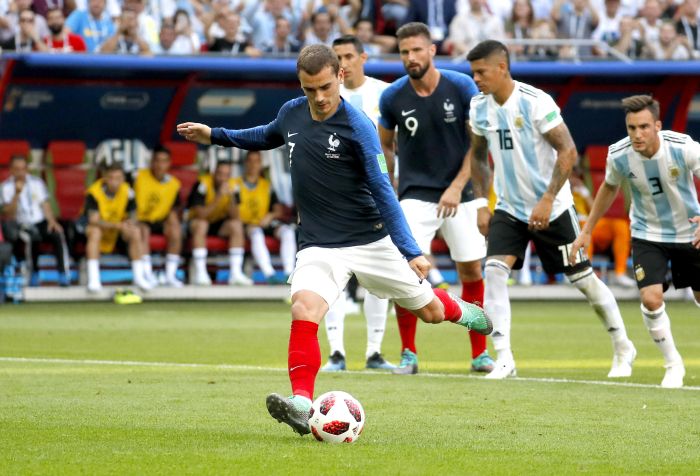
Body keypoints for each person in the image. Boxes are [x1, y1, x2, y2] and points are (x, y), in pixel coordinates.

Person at [176, 44, 492, 436]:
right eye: (310, 90)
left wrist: (411, 250)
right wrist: (216, 135)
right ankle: (302, 402)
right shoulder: (291, 112)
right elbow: (265, 135)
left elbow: (382, 189)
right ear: (301, 85)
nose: (320, 98)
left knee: (429, 312)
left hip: (371, 242)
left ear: (340, 77)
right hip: (319, 244)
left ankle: (462, 311)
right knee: (303, 309)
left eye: (326, 87)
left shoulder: (358, 126)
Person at [466, 40, 635, 380]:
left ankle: (622, 345)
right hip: (511, 209)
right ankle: (504, 357)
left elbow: (568, 151)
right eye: (473, 73)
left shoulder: (535, 102)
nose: (476, 79)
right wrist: (483, 203)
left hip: (553, 209)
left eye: (481, 72)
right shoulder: (479, 107)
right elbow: (478, 156)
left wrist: (547, 198)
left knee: (583, 280)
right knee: (495, 272)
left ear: (502, 68)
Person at [378, 22, 494, 375]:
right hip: (415, 195)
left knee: (471, 268)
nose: (410, 57)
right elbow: (384, 144)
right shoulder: (393, 96)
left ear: (432, 50)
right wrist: (391, 185)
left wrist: (459, 186)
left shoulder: (460, 86)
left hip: (463, 191)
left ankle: (479, 354)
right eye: (404, 52)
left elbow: (478, 145)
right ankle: (408, 354)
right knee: (405, 269)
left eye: (416, 50)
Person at [569, 95, 700, 388]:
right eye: (631, 128)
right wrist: (588, 228)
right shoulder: (619, 154)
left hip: (689, 231)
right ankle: (673, 364)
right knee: (651, 298)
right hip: (646, 233)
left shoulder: (683, 147)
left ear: (657, 125)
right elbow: (608, 187)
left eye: (643, 127)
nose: (637, 134)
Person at [318, 35, 396, 372]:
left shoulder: (384, 94)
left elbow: (392, 146)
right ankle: (336, 352)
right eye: (338, 57)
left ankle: (374, 352)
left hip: (375, 197)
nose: (344, 63)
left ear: (363, 57)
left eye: (349, 56)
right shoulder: (322, 94)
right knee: (331, 276)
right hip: (334, 198)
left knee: (378, 278)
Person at [0, 155, 70, 287]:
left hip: (40, 221)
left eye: (23, 169)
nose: (21, 172)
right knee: (30, 237)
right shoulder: (5, 187)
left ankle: (63, 274)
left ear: (27, 169)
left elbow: (45, 204)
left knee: (57, 233)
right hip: (20, 224)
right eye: (17, 169)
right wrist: (16, 193)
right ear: (11, 170)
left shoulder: (37, 182)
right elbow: (9, 213)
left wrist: (52, 221)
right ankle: (34, 273)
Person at [83, 163, 153, 293]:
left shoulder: (128, 191)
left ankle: (139, 277)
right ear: (105, 178)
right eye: (111, 177)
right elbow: (93, 220)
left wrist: (128, 224)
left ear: (123, 179)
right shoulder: (94, 192)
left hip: (118, 230)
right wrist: (118, 225)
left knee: (135, 231)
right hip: (98, 229)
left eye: (118, 178)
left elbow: (133, 216)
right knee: (95, 232)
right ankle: (94, 279)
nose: (114, 182)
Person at [233, 150, 296, 284]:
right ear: (245, 163)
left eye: (257, 161)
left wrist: (271, 215)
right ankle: (269, 274)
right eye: (250, 161)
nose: (253, 165)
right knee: (256, 233)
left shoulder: (266, 186)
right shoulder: (235, 184)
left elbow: (278, 210)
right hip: (245, 224)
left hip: (264, 222)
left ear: (261, 164)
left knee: (287, 231)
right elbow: (231, 211)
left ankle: (288, 273)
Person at [186, 160, 252, 286]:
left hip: (219, 224)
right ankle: (201, 273)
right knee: (201, 224)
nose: (223, 178)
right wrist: (218, 197)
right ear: (214, 173)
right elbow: (201, 215)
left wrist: (232, 198)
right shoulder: (202, 184)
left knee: (236, 225)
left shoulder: (234, 186)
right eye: (220, 174)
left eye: (227, 175)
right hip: (197, 224)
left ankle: (235, 273)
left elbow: (236, 216)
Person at [133, 145, 184, 288]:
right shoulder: (138, 176)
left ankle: (170, 275)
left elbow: (175, 208)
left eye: (164, 161)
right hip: (139, 220)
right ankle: (147, 273)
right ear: (151, 162)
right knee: (143, 230)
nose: (160, 165)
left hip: (160, 221)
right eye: (157, 161)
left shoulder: (174, 184)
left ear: (169, 163)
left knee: (175, 229)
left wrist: (173, 219)